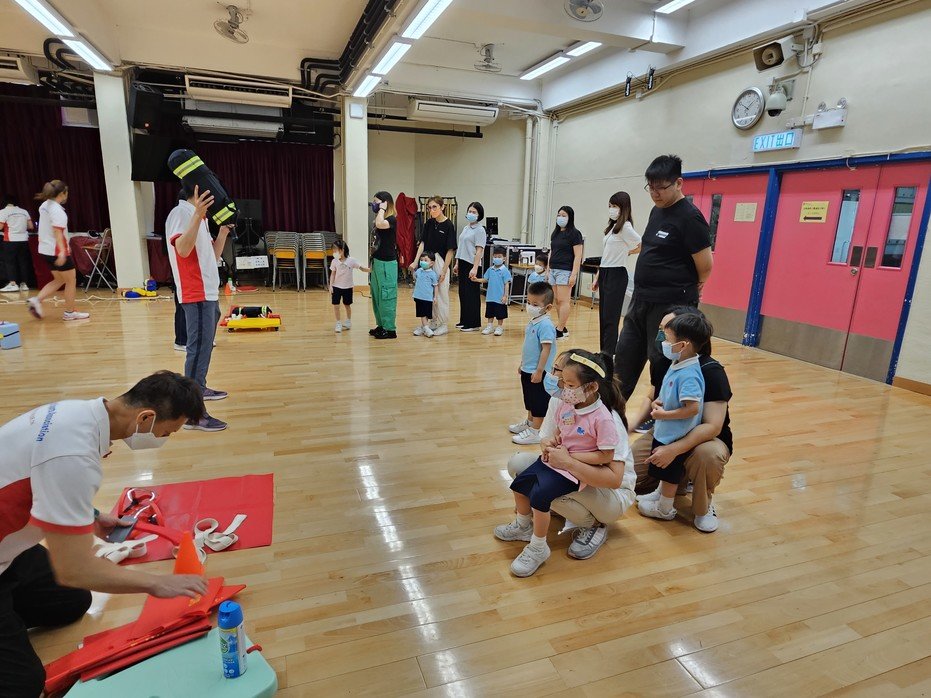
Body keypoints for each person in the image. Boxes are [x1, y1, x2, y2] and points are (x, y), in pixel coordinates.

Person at [0, 371, 210, 696]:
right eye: (167, 432)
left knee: (72, 602)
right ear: (145, 417)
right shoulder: (74, 457)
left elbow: (42, 477)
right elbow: (74, 570)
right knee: (24, 686)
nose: (163, 438)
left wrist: (92, 516)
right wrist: (156, 583)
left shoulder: (76, 413)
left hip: (9, 549)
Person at [495, 350, 620, 577]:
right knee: (519, 485)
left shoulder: (603, 418)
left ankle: (538, 547)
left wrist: (570, 458)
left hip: (572, 472)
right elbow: (560, 431)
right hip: (555, 460)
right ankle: (523, 526)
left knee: (539, 496)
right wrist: (553, 441)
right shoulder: (567, 404)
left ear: (591, 387)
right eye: (563, 382)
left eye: (570, 385)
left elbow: (605, 456)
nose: (563, 388)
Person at [614, 155, 713, 433]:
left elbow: (705, 266)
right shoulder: (657, 211)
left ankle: (657, 412)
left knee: (661, 361)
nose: (655, 193)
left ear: (679, 183)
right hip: (641, 300)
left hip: (670, 305)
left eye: (661, 187)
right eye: (651, 187)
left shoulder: (691, 218)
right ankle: (611, 415)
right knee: (624, 357)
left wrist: (691, 288)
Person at [629, 306, 732, 533]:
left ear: (685, 340)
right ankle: (673, 484)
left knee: (707, 455)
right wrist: (634, 423)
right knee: (629, 477)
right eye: (661, 330)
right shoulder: (667, 360)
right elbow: (654, 394)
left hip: (703, 437)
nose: (661, 338)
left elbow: (712, 426)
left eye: (666, 332)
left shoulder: (709, 371)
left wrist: (673, 449)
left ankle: (702, 506)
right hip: (667, 428)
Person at [165, 184, 231, 432]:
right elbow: (182, 249)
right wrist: (197, 216)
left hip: (208, 292)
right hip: (197, 293)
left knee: (204, 348)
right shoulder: (181, 213)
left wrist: (222, 232)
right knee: (197, 350)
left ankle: (199, 388)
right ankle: (191, 414)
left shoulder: (198, 218)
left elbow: (212, 257)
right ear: (195, 193)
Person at [635, 312, 710, 522]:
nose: (664, 343)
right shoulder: (677, 363)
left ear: (683, 345)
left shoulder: (690, 375)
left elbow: (692, 408)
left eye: (668, 339)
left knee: (670, 472)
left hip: (676, 433)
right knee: (662, 467)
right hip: (666, 429)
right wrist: (658, 402)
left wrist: (664, 414)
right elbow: (668, 393)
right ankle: (659, 494)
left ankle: (665, 508)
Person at [26, 180, 89, 321]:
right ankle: (70, 313)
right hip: (56, 251)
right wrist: (62, 251)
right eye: (67, 192)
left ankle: (36, 300)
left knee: (59, 279)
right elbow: (57, 232)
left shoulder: (44, 205)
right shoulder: (58, 211)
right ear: (62, 194)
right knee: (71, 281)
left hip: (45, 249)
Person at [509, 281, 557, 446]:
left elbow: (546, 350)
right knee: (529, 398)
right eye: (529, 302)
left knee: (538, 401)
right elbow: (528, 347)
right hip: (527, 369)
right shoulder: (534, 321)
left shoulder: (546, 325)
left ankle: (536, 432)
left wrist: (539, 371)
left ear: (548, 307)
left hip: (538, 372)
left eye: (535, 304)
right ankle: (529, 423)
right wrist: (522, 364)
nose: (530, 306)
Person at [593, 192, 641, 353]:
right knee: (603, 316)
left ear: (623, 207)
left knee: (610, 318)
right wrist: (598, 276)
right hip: (605, 272)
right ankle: (603, 351)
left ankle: (608, 354)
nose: (611, 209)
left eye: (614, 206)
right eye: (610, 206)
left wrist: (628, 252)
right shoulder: (612, 228)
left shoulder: (625, 227)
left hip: (617, 274)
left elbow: (642, 244)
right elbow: (606, 255)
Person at [410, 196, 456, 336]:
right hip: (427, 263)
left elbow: (450, 250)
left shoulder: (448, 225)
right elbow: (422, 243)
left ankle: (443, 324)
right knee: (426, 294)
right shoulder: (429, 223)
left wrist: (444, 270)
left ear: (442, 207)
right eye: (429, 207)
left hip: (440, 262)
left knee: (441, 294)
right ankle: (431, 322)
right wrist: (415, 261)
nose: (432, 210)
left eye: (434, 207)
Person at [548, 206, 583, 338]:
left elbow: (578, 255)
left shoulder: (575, 234)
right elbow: (552, 251)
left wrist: (574, 274)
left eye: (564, 215)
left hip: (565, 270)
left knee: (564, 301)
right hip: (553, 269)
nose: (560, 218)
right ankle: (562, 326)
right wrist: (548, 269)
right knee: (557, 300)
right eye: (559, 215)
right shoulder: (555, 233)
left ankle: (560, 329)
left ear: (570, 218)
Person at [369, 191, 399, 340]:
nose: (374, 205)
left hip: (388, 264)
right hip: (377, 262)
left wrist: (382, 208)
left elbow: (380, 224)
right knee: (376, 295)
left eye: (376, 202)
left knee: (387, 296)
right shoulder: (380, 217)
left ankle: (390, 329)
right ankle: (381, 325)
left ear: (386, 203)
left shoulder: (391, 219)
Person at [454, 201, 486, 332]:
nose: (471, 214)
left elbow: (479, 250)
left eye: (474, 212)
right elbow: (461, 246)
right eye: (469, 211)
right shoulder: (466, 228)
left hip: (472, 264)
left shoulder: (480, 230)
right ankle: (464, 320)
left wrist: (475, 267)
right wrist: (457, 263)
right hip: (462, 261)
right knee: (463, 293)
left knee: (471, 293)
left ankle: (473, 323)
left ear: (479, 215)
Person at [330, 238, 369, 333]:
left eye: (335, 250)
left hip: (347, 287)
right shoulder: (334, 261)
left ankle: (348, 321)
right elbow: (333, 274)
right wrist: (331, 286)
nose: (334, 252)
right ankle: (338, 323)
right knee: (336, 305)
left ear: (342, 250)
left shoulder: (351, 261)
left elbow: (362, 268)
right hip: (336, 287)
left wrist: (371, 270)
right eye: (333, 251)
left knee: (347, 305)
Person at [0, 195, 33, 293]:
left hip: (10, 240)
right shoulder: (24, 211)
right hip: (24, 240)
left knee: (10, 262)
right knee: (23, 262)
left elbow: (0, 227)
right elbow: (30, 226)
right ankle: (24, 284)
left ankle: (13, 284)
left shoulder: (3, 211)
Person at [478, 246, 511, 336]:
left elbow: (506, 284)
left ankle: (499, 327)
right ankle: (490, 326)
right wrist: (476, 280)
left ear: (504, 258)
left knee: (500, 313)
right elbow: (485, 279)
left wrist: (505, 296)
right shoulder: (490, 269)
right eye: (495, 256)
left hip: (500, 297)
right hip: (490, 297)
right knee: (490, 312)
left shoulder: (505, 271)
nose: (497, 258)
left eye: (499, 257)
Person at [412, 251, 439, 338]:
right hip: (418, 296)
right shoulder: (419, 271)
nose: (422, 262)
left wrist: (435, 297)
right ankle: (426, 328)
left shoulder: (433, 274)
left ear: (432, 263)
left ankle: (423, 327)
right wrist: (412, 270)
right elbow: (415, 277)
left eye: (425, 260)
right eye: (421, 260)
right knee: (422, 313)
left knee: (426, 313)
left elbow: (435, 286)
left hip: (428, 297)